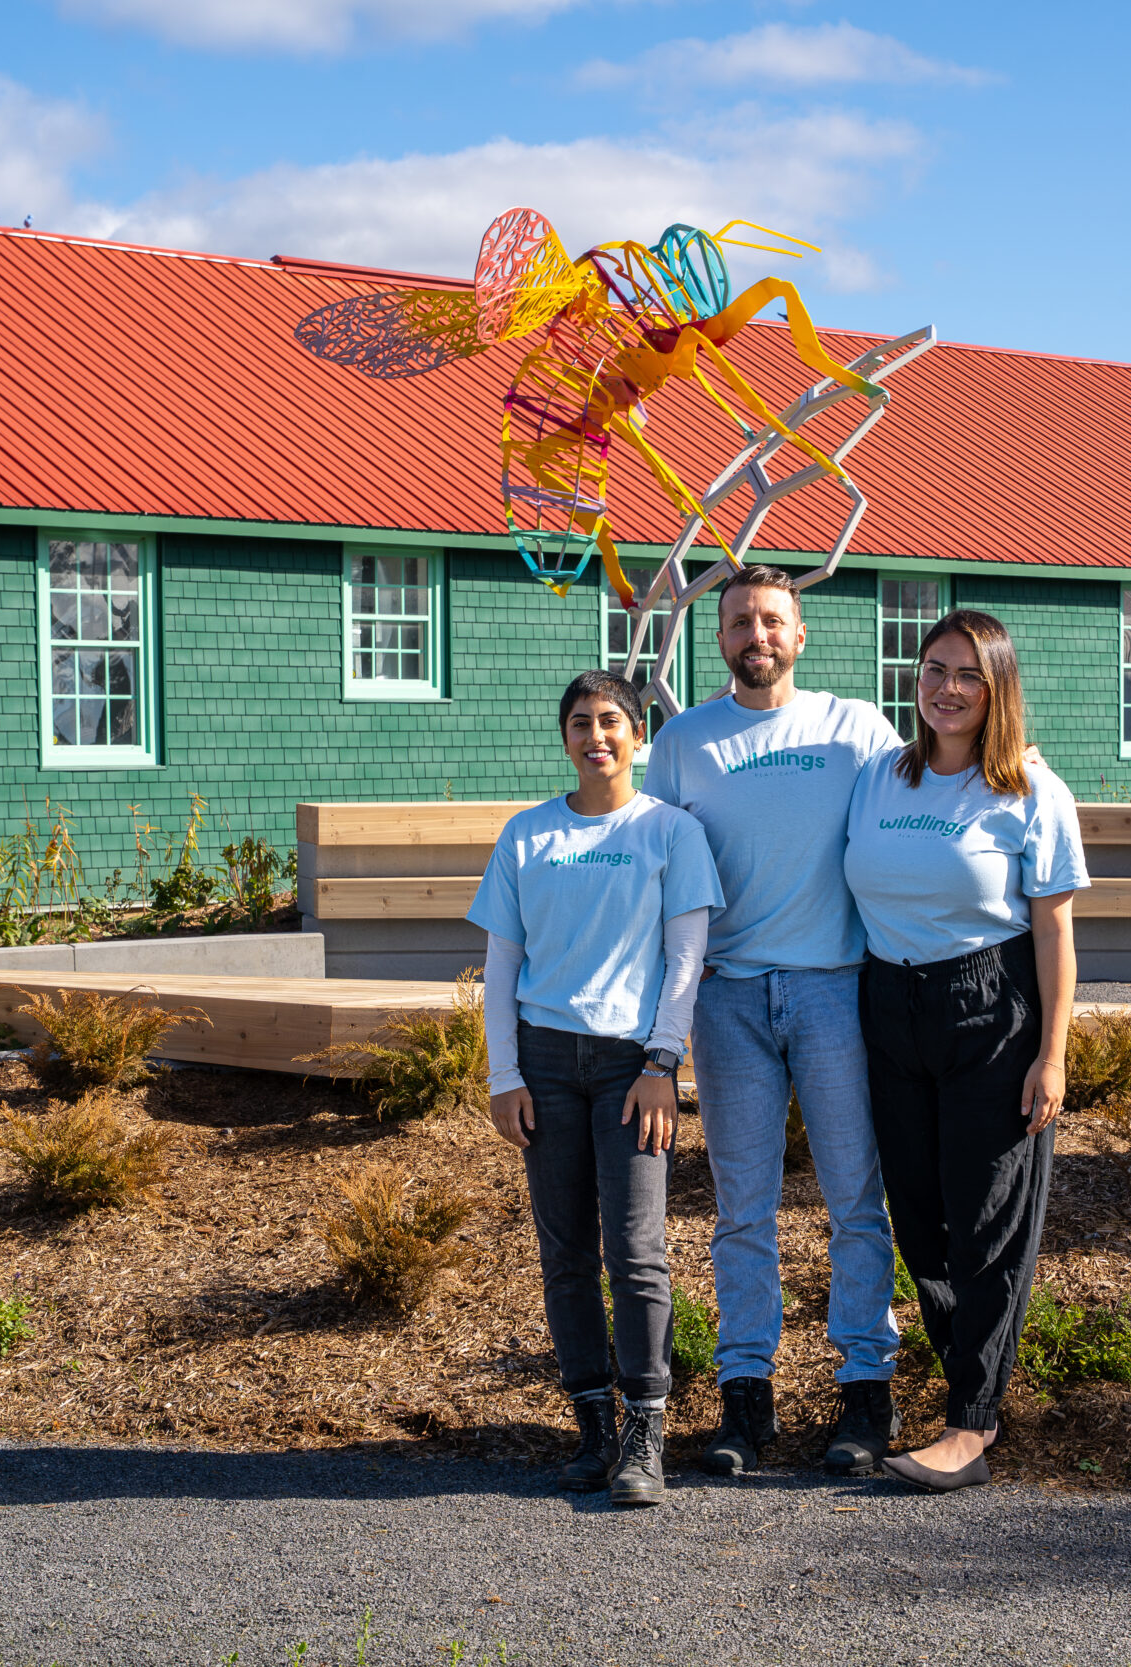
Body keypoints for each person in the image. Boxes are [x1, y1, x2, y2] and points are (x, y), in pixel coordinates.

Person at [641, 564, 907, 1477]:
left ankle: (866, 1395)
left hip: (835, 987)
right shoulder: (682, 741)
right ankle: (744, 1399)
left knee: (854, 1206)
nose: (757, 636)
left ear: (800, 635)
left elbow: (924, 803)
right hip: (730, 999)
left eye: (772, 620)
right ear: (719, 640)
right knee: (740, 1211)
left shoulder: (856, 728)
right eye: (740, 622)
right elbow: (662, 867)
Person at [842, 609, 1088, 1493]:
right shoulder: (882, 776)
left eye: (968, 675)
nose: (946, 687)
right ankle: (965, 1386)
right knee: (918, 1215)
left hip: (990, 1006)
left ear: (998, 689)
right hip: (889, 1006)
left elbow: (1056, 934)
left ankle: (970, 1423)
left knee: (988, 1221)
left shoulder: (1027, 788)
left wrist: (1052, 1054)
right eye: (934, 668)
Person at [469, 669, 723, 1508]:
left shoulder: (670, 833)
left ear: (639, 735)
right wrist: (504, 1075)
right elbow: (503, 963)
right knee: (567, 1252)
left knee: (638, 1249)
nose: (596, 736)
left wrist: (662, 1063)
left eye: (611, 720)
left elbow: (685, 959)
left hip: (629, 1069)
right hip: (545, 1062)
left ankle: (646, 1429)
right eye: (580, 722)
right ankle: (592, 1427)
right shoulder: (527, 834)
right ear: (565, 736)